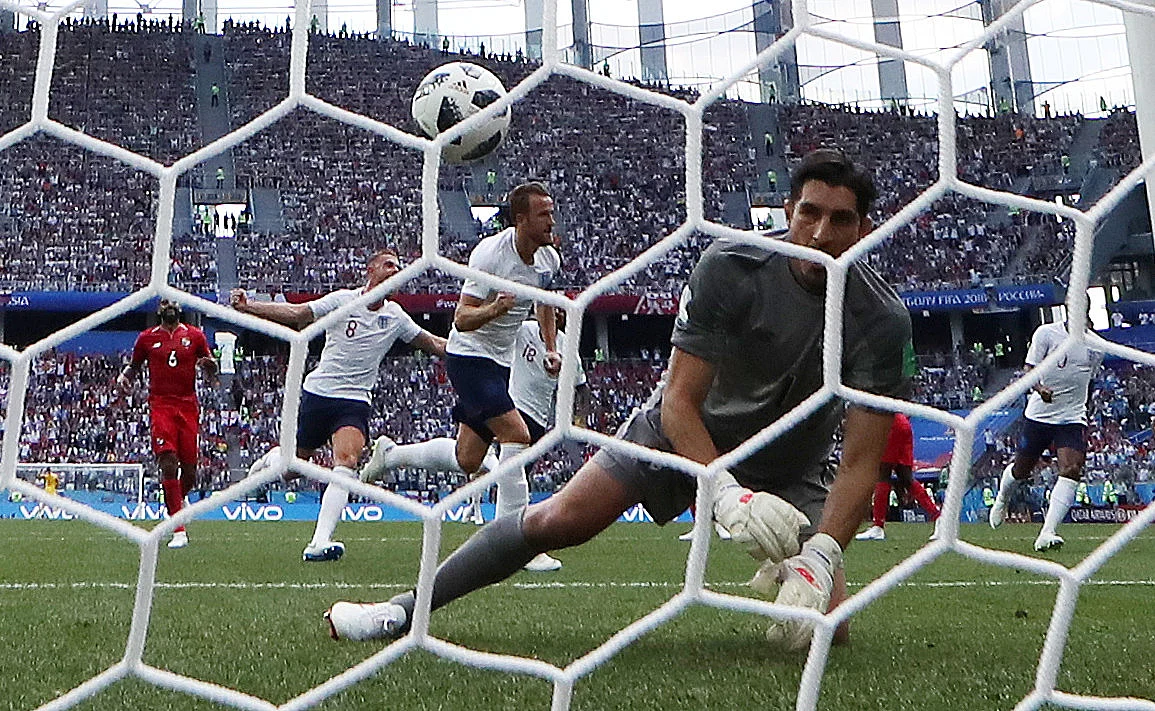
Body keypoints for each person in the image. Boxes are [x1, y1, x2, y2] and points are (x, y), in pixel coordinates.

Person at [325, 149, 912, 651]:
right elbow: (679, 402)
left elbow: (861, 460)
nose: (819, 233)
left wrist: (822, 556)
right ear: (787, 211)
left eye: (840, 219)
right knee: (558, 519)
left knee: (829, 629)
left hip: (790, 464)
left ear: (864, 228)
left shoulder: (881, 320)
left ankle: (799, 560)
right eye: (809, 213)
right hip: (679, 435)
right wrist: (726, 494)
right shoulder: (733, 268)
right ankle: (400, 611)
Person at [359, 184, 564, 570]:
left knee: (467, 459)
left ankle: (392, 455)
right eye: (544, 214)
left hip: (499, 363)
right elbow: (462, 319)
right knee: (517, 436)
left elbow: (545, 303)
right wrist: (495, 309)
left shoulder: (548, 259)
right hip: (469, 357)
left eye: (552, 213)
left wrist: (551, 347)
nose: (552, 221)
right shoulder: (490, 255)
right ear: (521, 220)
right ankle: (516, 544)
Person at [233, 249, 448, 562]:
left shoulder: (397, 317)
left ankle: (319, 542)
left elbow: (434, 344)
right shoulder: (343, 300)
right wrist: (249, 306)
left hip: (354, 401)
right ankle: (268, 462)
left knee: (346, 462)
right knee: (292, 469)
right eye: (388, 264)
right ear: (370, 270)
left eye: (398, 268)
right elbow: (298, 314)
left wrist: (474, 350)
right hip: (319, 394)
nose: (394, 270)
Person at [989, 311, 1102, 551]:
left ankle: (1048, 532)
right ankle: (1003, 497)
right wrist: (1040, 389)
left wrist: (1085, 408)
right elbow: (1029, 369)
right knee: (1022, 470)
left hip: (1072, 416)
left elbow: (1089, 380)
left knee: (1072, 468)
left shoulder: (1096, 345)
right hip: (1039, 415)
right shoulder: (1047, 333)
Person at [118, 299, 217, 549]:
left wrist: (211, 367)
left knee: (190, 471)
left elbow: (210, 365)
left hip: (188, 406)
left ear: (179, 307)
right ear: (159, 309)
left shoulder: (195, 336)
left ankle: (175, 503)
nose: (169, 306)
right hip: (161, 405)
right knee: (168, 462)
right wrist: (125, 376)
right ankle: (178, 529)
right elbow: (135, 365)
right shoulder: (146, 338)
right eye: (164, 302)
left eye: (173, 302)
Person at [854, 413, 941, 541]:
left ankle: (878, 526)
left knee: (883, 474)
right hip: (902, 423)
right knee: (905, 477)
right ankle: (938, 517)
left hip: (889, 424)